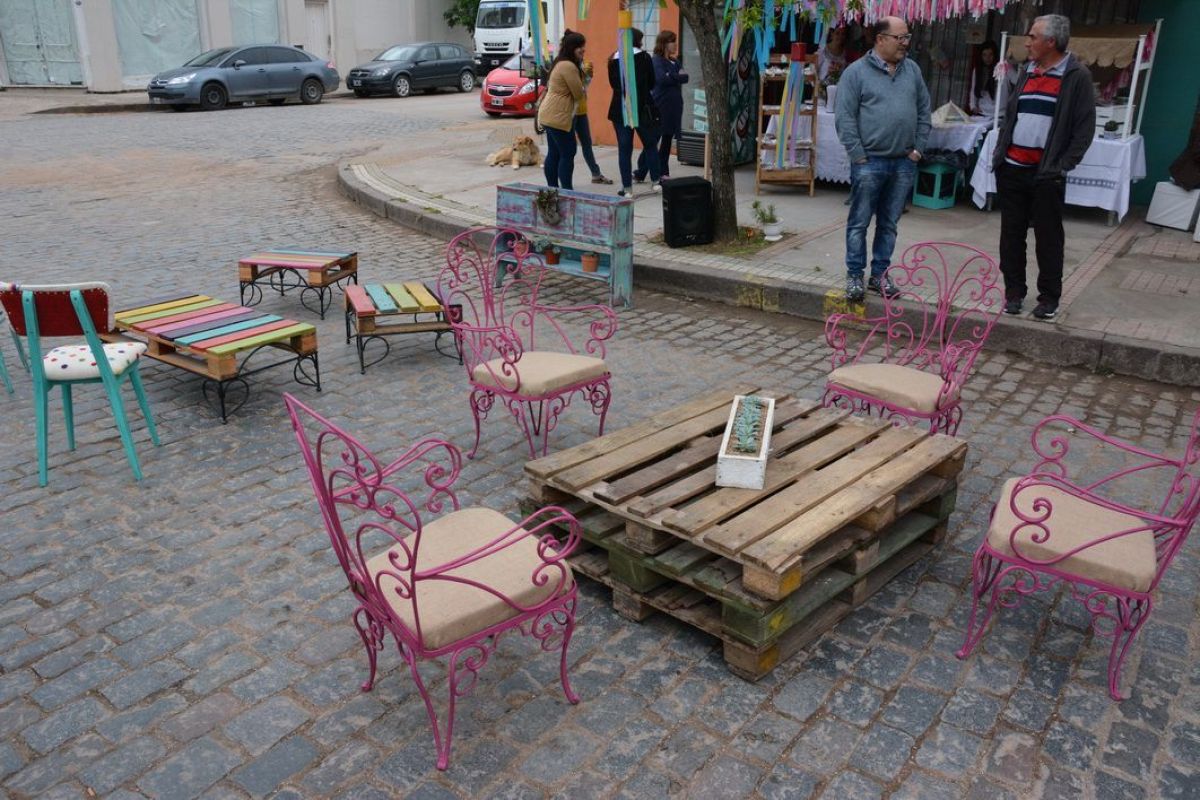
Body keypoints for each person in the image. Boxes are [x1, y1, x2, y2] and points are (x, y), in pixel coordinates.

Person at [992, 14, 1095, 320]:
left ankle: (1049, 298)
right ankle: (1013, 293)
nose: (1027, 42)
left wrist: (1062, 166)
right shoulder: (1027, 71)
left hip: (1045, 174)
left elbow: (1084, 129)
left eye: (1033, 37)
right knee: (1011, 236)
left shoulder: (1076, 76)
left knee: (1049, 239)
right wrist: (1001, 152)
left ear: (1051, 42)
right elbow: (1011, 116)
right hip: (1012, 168)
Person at [835, 16, 930, 302]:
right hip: (869, 162)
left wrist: (918, 151)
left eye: (907, 38)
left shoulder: (912, 70)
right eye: (899, 38)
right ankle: (855, 275)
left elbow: (925, 111)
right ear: (880, 39)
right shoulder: (856, 72)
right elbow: (845, 118)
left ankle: (880, 275)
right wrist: (858, 156)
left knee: (889, 223)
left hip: (903, 162)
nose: (905, 44)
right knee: (859, 222)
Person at [608, 28, 661, 197]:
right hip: (642, 107)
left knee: (624, 148)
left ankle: (627, 187)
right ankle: (656, 182)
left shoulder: (613, 59)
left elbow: (613, 84)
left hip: (619, 108)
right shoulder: (644, 57)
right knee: (650, 144)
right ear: (637, 40)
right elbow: (652, 82)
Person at [537, 31, 587, 191]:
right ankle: (566, 190)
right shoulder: (568, 66)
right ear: (572, 48)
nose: (583, 50)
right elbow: (578, 93)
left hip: (550, 114)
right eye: (580, 47)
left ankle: (553, 189)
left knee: (555, 153)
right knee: (568, 152)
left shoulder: (561, 62)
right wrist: (584, 83)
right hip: (558, 116)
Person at [644, 30, 688, 180]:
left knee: (667, 139)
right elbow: (662, 79)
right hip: (661, 104)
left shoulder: (675, 61)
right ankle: (642, 170)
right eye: (672, 41)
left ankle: (663, 171)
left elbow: (685, 77)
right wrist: (676, 76)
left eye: (676, 41)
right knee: (654, 139)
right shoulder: (656, 60)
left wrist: (672, 76)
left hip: (674, 107)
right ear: (664, 44)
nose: (675, 44)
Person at [575, 57, 613, 184]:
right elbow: (574, 88)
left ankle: (596, 174)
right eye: (579, 48)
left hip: (581, 111)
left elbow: (583, 87)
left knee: (587, 143)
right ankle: (562, 183)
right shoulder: (565, 65)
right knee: (566, 150)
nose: (582, 52)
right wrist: (582, 75)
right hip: (567, 113)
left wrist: (588, 76)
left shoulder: (580, 63)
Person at [967, 40, 999, 118]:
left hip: (997, 112)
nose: (987, 58)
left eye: (990, 54)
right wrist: (973, 106)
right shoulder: (978, 70)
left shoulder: (1000, 69)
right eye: (984, 55)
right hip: (982, 112)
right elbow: (973, 89)